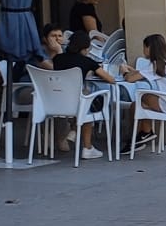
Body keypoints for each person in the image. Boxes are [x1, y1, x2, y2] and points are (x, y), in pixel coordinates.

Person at [42, 28, 119, 158]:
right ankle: (87, 147)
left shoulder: (58, 59)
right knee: (90, 103)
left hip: (55, 103)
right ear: (85, 48)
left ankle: (74, 131)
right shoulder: (87, 61)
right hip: (77, 104)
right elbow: (110, 79)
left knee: (85, 98)